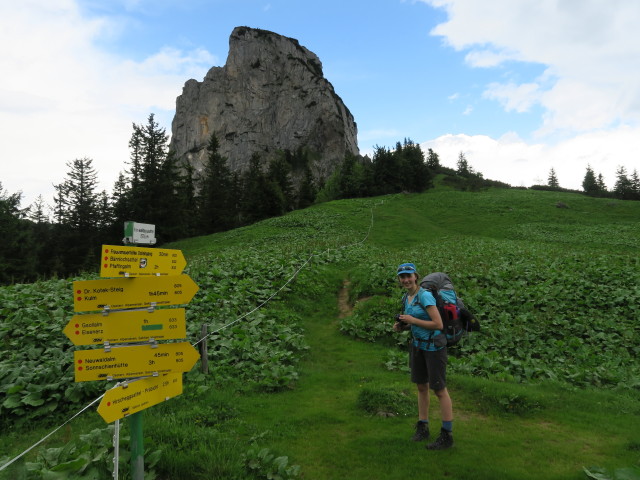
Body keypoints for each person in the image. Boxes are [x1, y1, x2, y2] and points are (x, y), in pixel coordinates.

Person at [393, 262, 454, 450]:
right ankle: (423, 426)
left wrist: (412, 320)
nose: (406, 280)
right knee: (421, 386)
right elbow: (417, 322)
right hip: (418, 347)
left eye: (409, 276)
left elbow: (438, 324)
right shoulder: (407, 298)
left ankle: (446, 435)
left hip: (434, 348)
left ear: (416, 276)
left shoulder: (425, 296)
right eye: (402, 277)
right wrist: (403, 326)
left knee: (439, 390)